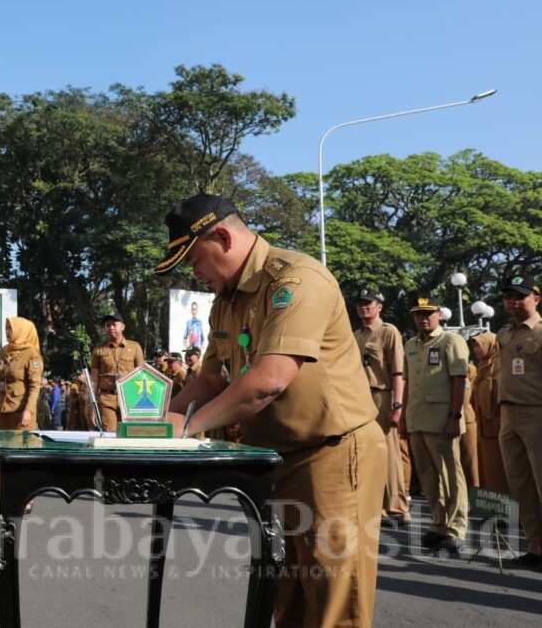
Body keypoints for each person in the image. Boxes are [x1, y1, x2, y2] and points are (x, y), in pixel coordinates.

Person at [155, 192, 385, 628]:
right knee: (288, 600)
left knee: (335, 602)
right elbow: (210, 380)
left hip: (332, 455)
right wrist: (150, 424)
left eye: (195, 259)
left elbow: (269, 379)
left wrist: (184, 429)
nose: (195, 272)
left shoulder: (297, 280)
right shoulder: (227, 300)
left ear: (222, 237)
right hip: (277, 460)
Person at [401, 296, 469, 553]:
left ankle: (456, 528)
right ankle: (438, 524)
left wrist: (454, 417)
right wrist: (405, 418)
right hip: (417, 419)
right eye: (418, 314)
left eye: (428, 313)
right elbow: (407, 383)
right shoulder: (410, 344)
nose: (423, 318)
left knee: (451, 476)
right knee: (429, 477)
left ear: (439, 314)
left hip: (443, 421)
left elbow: (459, 381)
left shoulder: (451, 341)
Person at [353, 288, 410, 525]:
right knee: (368, 453)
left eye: (369, 303)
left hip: (382, 395)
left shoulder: (389, 332)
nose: (363, 306)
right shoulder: (357, 335)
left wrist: (397, 405)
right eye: (360, 303)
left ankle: (397, 508)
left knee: (389, 452)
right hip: (361, 397)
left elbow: (398, 372)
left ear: (380, 306)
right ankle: (378, 507)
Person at [496, 275, 542, 568]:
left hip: (536, 412)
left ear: (536, 299)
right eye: (509, 296)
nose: (514, 301)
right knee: (521, 485)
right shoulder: (504, 333)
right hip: (508, 415)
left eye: (521, 296)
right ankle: (536, 548)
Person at [0, 317, 44, 430]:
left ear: (22, 331)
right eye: (6, 328)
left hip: (20, 413)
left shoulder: (31, 353)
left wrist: (28, 410)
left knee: (19, 446)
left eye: (11, 328)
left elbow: (35, 386)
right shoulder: (3, 351)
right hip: (0, 412)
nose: (7, 331)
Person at [89, 313, 144, 431]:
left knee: (128, 435)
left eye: (114, 324)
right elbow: (94, 380)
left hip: (129, 398)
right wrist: (93, 405)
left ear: (122, 327)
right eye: (107, 325)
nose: (111, 328)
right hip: (107, 398)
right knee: (110, 435)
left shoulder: (135, 347)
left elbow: (142, 376)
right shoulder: (98, 351)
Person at [469, 332, 508, 491]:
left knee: (500, 468)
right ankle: (491, 508)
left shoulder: (499, 366)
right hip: (483, 429)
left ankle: (507, 509)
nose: (477, 349)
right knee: (487, 468)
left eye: (480, 345)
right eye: (475, 346)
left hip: (497, 427)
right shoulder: (481, 367)